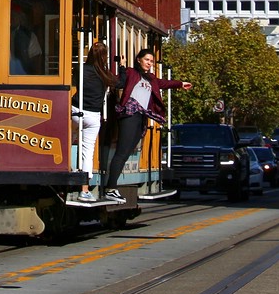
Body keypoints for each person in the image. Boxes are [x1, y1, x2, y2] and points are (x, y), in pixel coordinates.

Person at [103, 48, 192, 203]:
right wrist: (122, 67)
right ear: (139, 60)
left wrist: (180, 84)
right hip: (130, 114)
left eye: (151, 61)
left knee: (127, 152)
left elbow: (164, 83)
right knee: (122, 152)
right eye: (146, 60)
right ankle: (110, 189)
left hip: (141, 116)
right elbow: (119, 83)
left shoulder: (151, 79)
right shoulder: (131, 72)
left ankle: (112, 187)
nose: (149, 63)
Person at [72, 41, 118, 202]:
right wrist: (122, 66)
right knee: (87, 152)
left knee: (67, 141)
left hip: (75, 110)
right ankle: (84, 190)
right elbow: (120, 82)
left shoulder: (80, 69)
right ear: (105, 57)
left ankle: (67, 169)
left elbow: (77, 82)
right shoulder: (105, 74)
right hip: (92, 115)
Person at [9, 5, 43, 74]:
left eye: (15, 15)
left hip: (24, 77)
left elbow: (36, 60)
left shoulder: (29, 36)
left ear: (21, 17)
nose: (12, 18)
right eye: (10, 15)